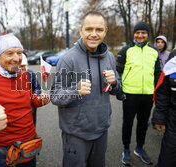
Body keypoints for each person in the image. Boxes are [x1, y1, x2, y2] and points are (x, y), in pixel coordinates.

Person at [50, 11, 122, 167]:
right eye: (89, 29)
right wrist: (75, 91)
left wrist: (115, 83)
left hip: (101, 130)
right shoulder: (68, 60)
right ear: (81, 30)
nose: (94, 34)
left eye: (99, 30)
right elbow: (55, 96)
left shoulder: (109, 57)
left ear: (105, 31)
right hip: (77, 134)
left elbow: (118, 89)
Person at [0, 33, 50, 167]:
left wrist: (40, 100)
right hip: (5, 150)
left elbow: (28, 100)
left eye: (19, 53)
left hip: (30, 144)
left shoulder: (24, 76)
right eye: (10, 53)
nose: (16, 58)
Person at [116, 21, 161, 166]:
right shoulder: (125, 50)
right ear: (133, 33)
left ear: (148, 35)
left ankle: (139, 148)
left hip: (147, 94)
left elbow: (157, 73)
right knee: (127, 123)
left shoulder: (154, 51)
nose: (140, 35)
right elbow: (118, 72)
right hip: (129, 94)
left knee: (143, 123)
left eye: (143, 33)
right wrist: (119, 90)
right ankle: (126, 149)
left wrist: (155, 90)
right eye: (137, 32)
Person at [151, 51, 176, 167]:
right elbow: (163, 93)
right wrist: (159, 118)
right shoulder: (173, 57)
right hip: (173, 120)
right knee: (168, 158)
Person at [20, 53, 41, 126]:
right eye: (20, 66)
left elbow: (37, 87)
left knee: (32, 120)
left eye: (24, 66)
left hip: (31, 101)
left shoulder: (30, 73)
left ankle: (33, 133)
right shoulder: (13, 75)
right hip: (20, 103)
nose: (22, 68)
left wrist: (35, 95)